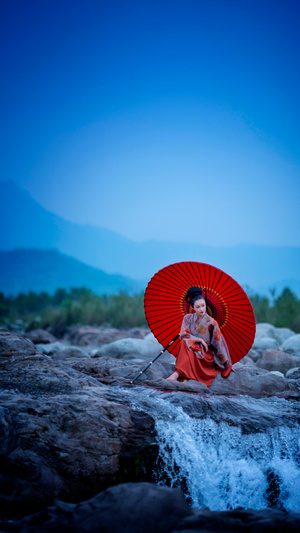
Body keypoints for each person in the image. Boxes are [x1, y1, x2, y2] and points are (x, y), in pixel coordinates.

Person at [166, 287, 233, 386]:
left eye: (203, 305)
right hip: (192, 349)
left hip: (204, 355)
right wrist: (198, 339)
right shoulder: (187, 318)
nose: (201, 309)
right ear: (193, 308)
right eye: (198, 307)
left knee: (189, 346)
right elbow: (183, 335)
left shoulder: (212, 322)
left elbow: (219, 344)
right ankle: (180, 375)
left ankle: (181, 375)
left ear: (206, 304)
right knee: (184, 343)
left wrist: (227, 364)